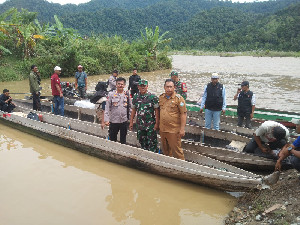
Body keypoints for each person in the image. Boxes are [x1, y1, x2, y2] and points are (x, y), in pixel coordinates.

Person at [159, 79, 187, 160]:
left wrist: (182, 129)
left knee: (177, 151)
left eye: (171, 87)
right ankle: (169, 165)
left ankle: (182, 167)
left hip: (174, 130)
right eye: (167, 87)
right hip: (163, 129)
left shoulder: (179, 99)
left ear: (174, 87)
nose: (169, 89)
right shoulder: (161, 97)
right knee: (166, 151)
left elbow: (183, 114)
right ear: (164, 87)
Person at [129, 79, 159, 152]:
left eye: (144, 86)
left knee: (152, 142)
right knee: (142, 141)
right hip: (140, 124)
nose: (142, 87)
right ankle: (145, 155)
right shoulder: (135, 97)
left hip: (150, 124)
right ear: (138, 87)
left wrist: (157, 123)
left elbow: (157, 111)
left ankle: (153, 156)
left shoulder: (153, 97)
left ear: (147, 86)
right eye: (141, 86)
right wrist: (131, 122)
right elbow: (133, 110)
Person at [104, 77, 131, 144]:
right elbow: (107, 108)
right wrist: (106, 120)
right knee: (112, 139)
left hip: (124, 121)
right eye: (118, 84)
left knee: (123, 139)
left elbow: (130, 107)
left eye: (122, 84)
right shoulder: (111, 94)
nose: (120, 85)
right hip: (113, 121)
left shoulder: (127, 95)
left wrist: (131, 120)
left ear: (124, 85)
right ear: (116, 85)